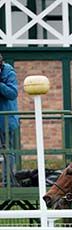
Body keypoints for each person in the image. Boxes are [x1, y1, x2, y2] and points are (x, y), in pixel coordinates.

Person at [0, 53, 19, 187]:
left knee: (8, 151)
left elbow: (12, 93)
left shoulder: (9, 72)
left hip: (6, 120)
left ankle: (8, 181)